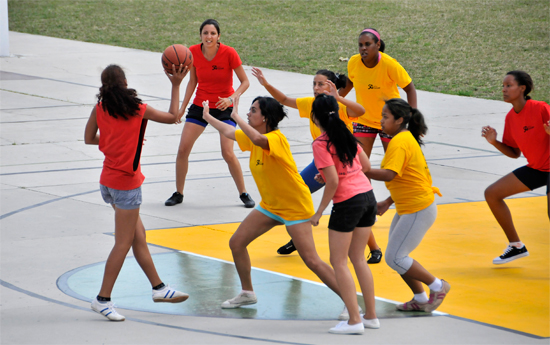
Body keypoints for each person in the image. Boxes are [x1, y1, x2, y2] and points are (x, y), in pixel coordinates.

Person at [201, 95, 342, 313]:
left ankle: (349, 300)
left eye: (253, 110)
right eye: (248, 110)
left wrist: (236, 116)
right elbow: (229, 132)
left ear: (265, 118)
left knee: (311, 260)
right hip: (270, 205)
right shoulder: (252, 135)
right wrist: (208, 116)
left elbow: (258, 139)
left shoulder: (276, 138)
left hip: (295, 206)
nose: (249, 113)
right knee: (237, 243)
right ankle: (247, 293)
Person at [84, 64, 190, 321]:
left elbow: (89, 138)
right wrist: (176, 84)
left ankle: (159, 288)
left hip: (107, 183)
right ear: (125, 82)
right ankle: (102, 299)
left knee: (138, 236)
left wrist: (112, 141)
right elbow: (174, 116)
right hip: (126, 186)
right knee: (122, 243)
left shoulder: (100, 108)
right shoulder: (138, 109)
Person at [251, 67, 383, 265]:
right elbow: (285, 100)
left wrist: (338, 98)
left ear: (331, 86)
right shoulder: (311, 104)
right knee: (298, 191)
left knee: (353, 207)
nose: (316, 87)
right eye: (314, 83)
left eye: (321, 84)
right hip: (322, 161)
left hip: (343, 163)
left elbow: (361, 111)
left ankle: (374, 248)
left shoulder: (338, 106)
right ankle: (298, 238)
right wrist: (266, 84)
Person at [366, 98, 450, 313]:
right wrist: (388, 201)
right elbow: (410, 176)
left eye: (385, 117)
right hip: (408, 206)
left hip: (418, 208)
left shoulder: (400, 142)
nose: (381, 121)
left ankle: (438, 287)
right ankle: (420, 299)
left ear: (399, 120)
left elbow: (389, 174)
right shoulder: (403, 138)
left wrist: (360, 170)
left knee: (396, 257)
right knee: (397, 255)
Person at [165, 19, 255, 208]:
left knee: (227, 152)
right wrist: (182, 109)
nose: (209, 36)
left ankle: (244, 193)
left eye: (213, 33)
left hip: (223, 107)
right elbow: (192, 82)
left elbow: (245, 82)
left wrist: (231, 98)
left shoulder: (229, 53)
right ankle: (178, 193)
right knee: (183, 149)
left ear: (218, 36)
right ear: (200, 35)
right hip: (200, 105)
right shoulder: (193, 52)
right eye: (205, 33)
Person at [309, 95, 379, 334]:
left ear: (315, 118)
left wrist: (319, 211)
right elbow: (366, 167)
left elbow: (333, 181)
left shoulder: (321, 143)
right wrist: (332, 175)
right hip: (368, 197)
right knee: (358, 258)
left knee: (338, 261)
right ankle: (370, 316)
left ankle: (354, 320)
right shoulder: (347, 135)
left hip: (348, 203)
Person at [482, 70, 549, 265]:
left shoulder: (541, 108)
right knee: (492, 193)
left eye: (508, 85)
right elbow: (514, 153)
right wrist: (494, 142)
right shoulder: (511, 117)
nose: (503, 89)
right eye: (503, 86)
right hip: (538, 168)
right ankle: (516, 246)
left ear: (522, 88)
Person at [339, 28, 417, 157]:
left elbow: (410, 88)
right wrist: (332, 99)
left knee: (393, 167)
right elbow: (350, 82)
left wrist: (414, 118)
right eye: (360, 45)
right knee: (360, 167)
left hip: (390, 119)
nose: (363, 48)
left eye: (367, 44)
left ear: (378, 45)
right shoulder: (353, 62)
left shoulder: (389, 64)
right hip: (364, 119)